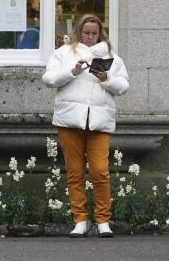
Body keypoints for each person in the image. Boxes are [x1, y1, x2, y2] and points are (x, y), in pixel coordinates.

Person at [42, 13, 129, 238]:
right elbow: (49, 79)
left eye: (94, 33)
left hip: (99, 121)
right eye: (86, 33)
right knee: (75, 171)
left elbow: (123, 86)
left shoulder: (113, 58)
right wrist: (72, 72)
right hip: (70, 120)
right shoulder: (63, 53)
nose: (90, 37)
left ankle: (103, 221)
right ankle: (79, 220)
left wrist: (106, 79)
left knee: (100, 172)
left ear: (100, 33)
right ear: (79, 32)